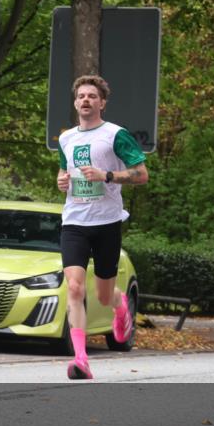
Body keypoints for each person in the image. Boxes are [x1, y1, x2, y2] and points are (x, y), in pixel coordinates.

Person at [56, 75, 148, 380]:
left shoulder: (115, 135)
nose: (86, 100)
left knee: (104, 296)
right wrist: (61, 181)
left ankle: (120, 305)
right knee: (74, 287)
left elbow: (141, 174)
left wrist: (106, 175)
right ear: (75, 102)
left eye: (92, 96)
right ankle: (81, 359)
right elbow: (63, 171)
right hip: (74, 222)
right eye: (81, 96)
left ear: (102, 103)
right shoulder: (66, 139)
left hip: (107, 222)